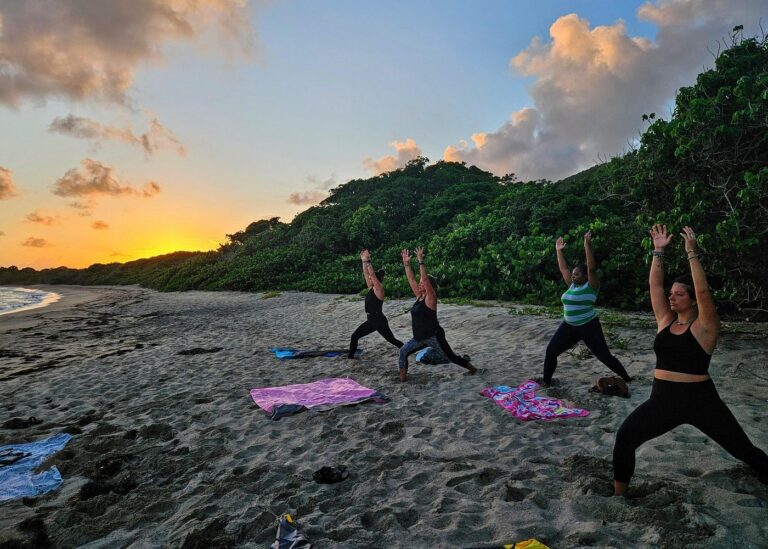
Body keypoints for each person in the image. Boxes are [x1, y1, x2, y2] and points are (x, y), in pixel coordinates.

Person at [612, 225, 768, 496]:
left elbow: (704, 292)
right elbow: (655, 285)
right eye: (671, 293)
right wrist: (658, 251)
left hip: (701, 401)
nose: (671, 296)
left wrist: (691, 254)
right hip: (662, 400)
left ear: (693, 301)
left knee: (744, 450)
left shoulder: (705, 327)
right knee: (625, 437)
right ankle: (618, 496)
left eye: (679, 294)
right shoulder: (665, 321)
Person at [541, 231, 631, 386]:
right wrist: (558, 250)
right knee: (551, 351)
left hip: (589, 326)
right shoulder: (572, 285)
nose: (573, 276)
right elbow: (563, 269)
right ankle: (546, 382)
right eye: (573, 274)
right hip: (569, 326)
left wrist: (587, 245)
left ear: (584, 276)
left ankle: (627, 378)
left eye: (577, 274)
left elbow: (591, 268)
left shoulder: (591, 286)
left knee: (604, 356)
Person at [397, 247, 478, 382]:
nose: (420, 284)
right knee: (403, 352)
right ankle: (402, 380)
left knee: (451, 357)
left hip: (434, 336)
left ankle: (474, 370)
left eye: (422, 283)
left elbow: (426, 280)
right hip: (419, 338)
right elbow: (411, 279)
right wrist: (406, 264)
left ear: (428, 286)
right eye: (421, 283)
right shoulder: (419, 296)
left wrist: (421, 261)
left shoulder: (431, 299)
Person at [348, 249, 404, 359]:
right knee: (354, 336)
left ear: (376, 280)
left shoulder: (379, 289)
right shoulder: (372, 288)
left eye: (371, 278)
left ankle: (407, 349)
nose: (369, 278)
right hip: (371, 320)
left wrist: (368, 260)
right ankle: (350, 358)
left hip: (378, 320)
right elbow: (366, 273)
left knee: (391, 340)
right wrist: (363, 261)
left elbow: (371, 274)